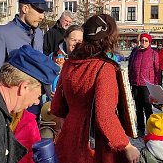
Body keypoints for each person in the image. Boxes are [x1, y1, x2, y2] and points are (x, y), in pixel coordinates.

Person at [51, 14, 140, 163]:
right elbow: (105, 115)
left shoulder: (70, 63)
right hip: (93, 142)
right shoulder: (104, 68)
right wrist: (127, 145)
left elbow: (58, 106)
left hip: (69, 136)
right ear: (109, 39)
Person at [0, 0, 49, 84]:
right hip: (9, 96)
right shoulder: (1, 34)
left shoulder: (39, 34)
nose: (42, 16)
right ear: (25, 9)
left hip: (35, 96)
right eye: (39, 11)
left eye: (43, 12)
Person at [128, 33, 160, 137]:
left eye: (146, 41)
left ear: (149, 42)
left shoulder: (154, 54)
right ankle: (140, 129)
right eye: (142, 40)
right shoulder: (135, 52)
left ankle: (150, 129)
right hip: (135, 83)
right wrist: (129, 79)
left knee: (148, 108)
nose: (144, 42)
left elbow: (157, 71)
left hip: (147, 85)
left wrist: (156, 86)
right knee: (138, 108)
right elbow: (130, 66)